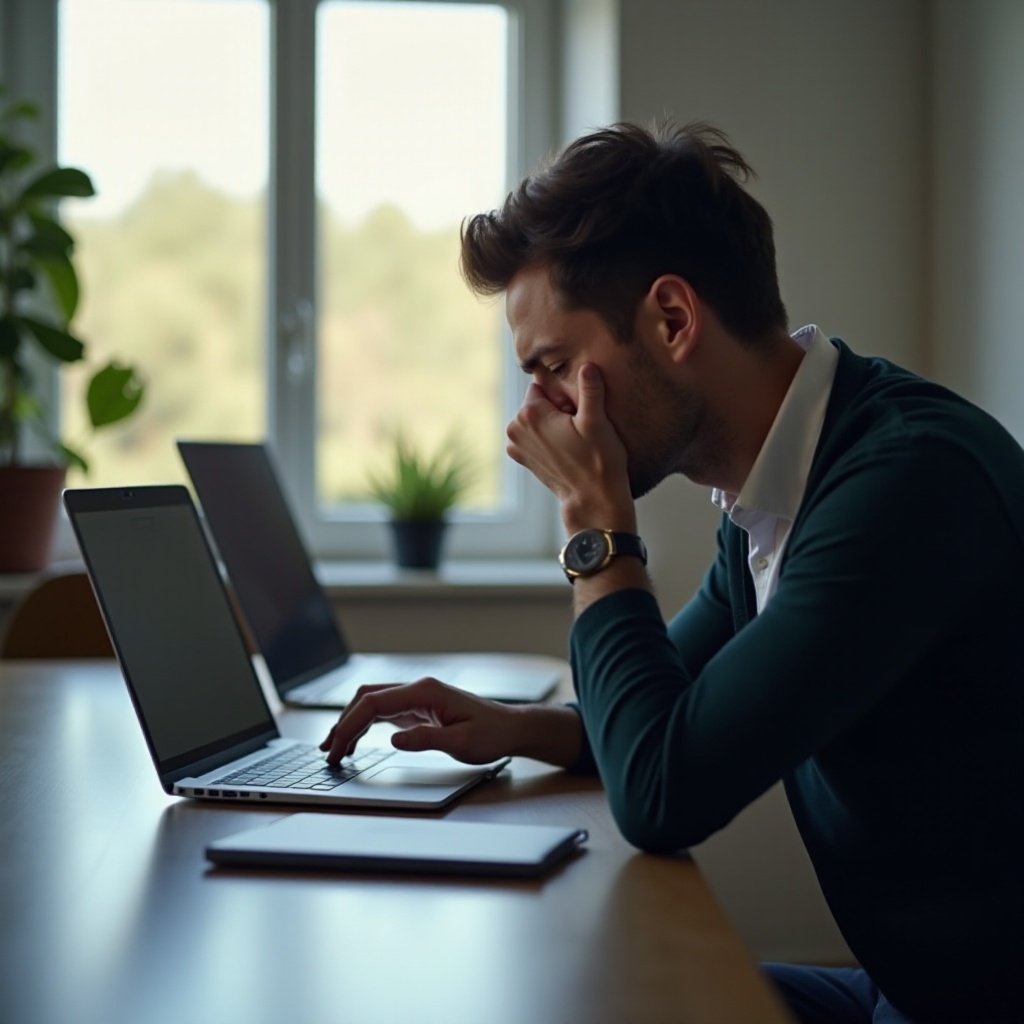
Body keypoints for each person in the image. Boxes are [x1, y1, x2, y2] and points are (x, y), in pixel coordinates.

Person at [321, 121, 1024, 1023]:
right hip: (912, 992)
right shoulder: (775, 489)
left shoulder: (902, 486)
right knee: (581, 992)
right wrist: (513, 727)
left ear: (673, 320)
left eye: (555, 368)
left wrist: (596, 528)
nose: (535, 416)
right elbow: (663, 714)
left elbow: (662, 791)